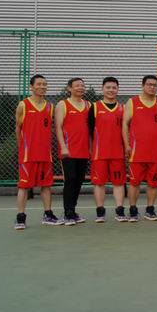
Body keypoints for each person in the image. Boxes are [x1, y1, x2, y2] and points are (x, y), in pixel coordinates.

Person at [14, 74, 62, 229]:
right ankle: (20, 218)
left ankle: (48, 214)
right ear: (31, 87)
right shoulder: (23, 105)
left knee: (46, 186)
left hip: (45, 154)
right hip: (28, 155)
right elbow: (18, 128)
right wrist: (22, 148)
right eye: (39, 84)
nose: (42, 87)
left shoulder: (50, 107)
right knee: (23, 187)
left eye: (44, 84)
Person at [122, 75, 157, 222]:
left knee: (153, 183)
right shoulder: (132, 102)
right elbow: (125, 124)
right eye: (149, 84)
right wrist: (127, 144)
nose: (152, 87)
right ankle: (133, 210)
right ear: (143, 85)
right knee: (134, 182)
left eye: (155, 85)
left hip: (155, 152)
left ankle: (150, 210)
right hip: (137, 152)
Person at [89, 77, 127, 222]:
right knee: (99, 183)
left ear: (118, 89)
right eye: (108, 87)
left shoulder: (123, 108)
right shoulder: (95, 107)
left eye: (114, 88)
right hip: (99, 153)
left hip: (117, 153)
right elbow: (90, 132)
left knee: (118, 183)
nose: (111, 90)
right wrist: (91, 150)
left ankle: (120, 211)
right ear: (102, 89)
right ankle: (100, 212)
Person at [55, 77, 91, 225]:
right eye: (77, 85)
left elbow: (91, 129)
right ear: (69, 88)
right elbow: (58, 127)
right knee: (70, 179)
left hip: (84, 150)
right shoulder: (62, 104)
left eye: (82, 85)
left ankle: (73, 211)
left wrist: (91, 147)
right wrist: (63, 146)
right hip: (68, 150)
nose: (80, 88)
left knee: (79, 180)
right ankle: (68, 213)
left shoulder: (89, 105)